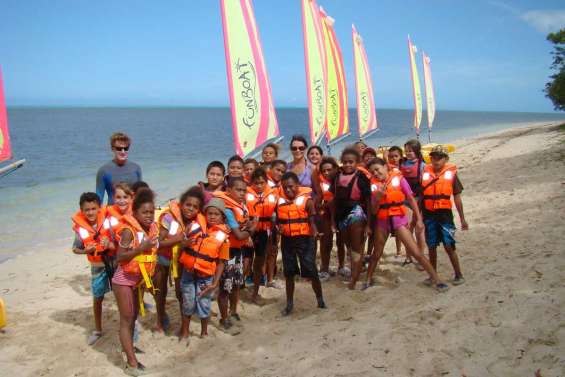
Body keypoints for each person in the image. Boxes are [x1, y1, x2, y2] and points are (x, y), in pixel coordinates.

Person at [364, 158, 448, 291]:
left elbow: (410, 199)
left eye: (377, 169)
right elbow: (373, 210)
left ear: (385, 167)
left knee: (416, 252)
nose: (375, 173)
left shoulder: (399, 179)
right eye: (372, 171)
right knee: (377, 253)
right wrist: (378, 198)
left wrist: (419, 219)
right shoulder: (373, 185)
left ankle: (437, 280)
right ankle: (368, 279)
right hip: (383, 220)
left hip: (398, 218)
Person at [112, 188, 159, 375]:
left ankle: (129, 347)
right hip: (123, 280)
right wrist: (141, 248)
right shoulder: (129, 231)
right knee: (126, 319)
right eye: (144, 212)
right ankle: (131, 364)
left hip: (137, 281)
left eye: (151, 212)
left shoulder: (151, 228)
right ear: (135, 212)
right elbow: (120, 257)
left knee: (133, 318)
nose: (148, 216)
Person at [154, 186, 205, 333]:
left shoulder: (197, 222)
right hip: (163, 258)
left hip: (181, 260)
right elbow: (158, 243)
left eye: (195, 207)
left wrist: (184, 245)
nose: (190, 209)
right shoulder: (169, 217)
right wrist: (177, 240)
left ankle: (184, 327)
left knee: (180, 293)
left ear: (199, 209)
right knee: (160, 291)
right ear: (181, 204)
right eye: (187, 205)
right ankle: (160, 319)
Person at [178, 198, 230, 342]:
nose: (212, 217)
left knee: (204, 303)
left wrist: (215, 283)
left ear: (222, 217)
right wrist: (184, 243)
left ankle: (204, 332)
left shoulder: (223, 238)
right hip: (188, 272)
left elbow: (221, 262)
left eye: (216, 214)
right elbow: (181, 244)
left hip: (205, 276)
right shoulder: (194, 227)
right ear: (204, 214)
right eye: (210, 213)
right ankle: (185, 332)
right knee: (187, 302)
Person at [277, 172, 326, 315]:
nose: (288, 190)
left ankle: (320, 300)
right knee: (289, 273)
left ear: (298, 185)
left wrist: (315, 232)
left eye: (291, 187)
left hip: (305, 239)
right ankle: (289, 304)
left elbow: (312, 220)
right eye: (285, 188)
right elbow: (277, 221)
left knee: (311, 271)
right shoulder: (279, 201)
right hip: (287, 240)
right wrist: (277, 228)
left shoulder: (307, 201)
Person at [71, 192, 114, 346]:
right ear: (81, 211)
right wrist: (85, 251)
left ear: (99, 208)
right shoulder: (80, 229)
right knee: (98, 298)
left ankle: (130, 322)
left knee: (123, 295)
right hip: (97, 268)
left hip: (114, 263)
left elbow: (121, 238)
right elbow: (75, 249)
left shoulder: (109, 221)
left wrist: (109, 241)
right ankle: (97, 329)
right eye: (86, 209)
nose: (90, 212)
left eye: (93, 208)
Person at [422, 146, 468, 285]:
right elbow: (421, 197)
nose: (435, 161)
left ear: (446, 159)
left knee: (449, 245)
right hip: (429, 215)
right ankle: (432, 275)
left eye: (439, 158)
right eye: (433, 158)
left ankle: (458, 274)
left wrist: (462, 219)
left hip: (445, 216)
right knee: (431, 245)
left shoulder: (451, 175)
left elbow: (457, 198)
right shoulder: (425, 173)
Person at [213, 177, 256, 329]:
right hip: (227, 252)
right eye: (238, 190)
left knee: (237, 283)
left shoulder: (241, 206)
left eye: (244, 190)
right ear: (228, 190)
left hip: (237, 250)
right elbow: (238, 235)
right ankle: (224, 318)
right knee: (226, 286)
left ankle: (234, 311)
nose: (242, 193)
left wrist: (248, 229)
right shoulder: (229, 210)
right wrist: (252, 229)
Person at [330, 147, 372, 289]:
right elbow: (334, 200)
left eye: (351, 162)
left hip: (356, 213)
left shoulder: (362, 178)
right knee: (349, 248)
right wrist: (333, 222)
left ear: (357, 163)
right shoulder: (336, 177)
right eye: (345, 162)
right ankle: (356, 271)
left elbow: (368, 201)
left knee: (357, 248)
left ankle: (354, 280)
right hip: (341, 216)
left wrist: (368, 225)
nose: (348, 165)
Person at [246, 167, 278, 302]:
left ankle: (255, 293)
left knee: (259, 263)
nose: (259, 186)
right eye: (256, 183)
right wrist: (247, 235)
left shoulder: (273, 193)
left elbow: (278, 212)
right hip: (248, 232)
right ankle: (238, 287)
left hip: (264, 232)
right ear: (251, 183)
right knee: (246, 263)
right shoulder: (245, 194)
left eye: (262, 183)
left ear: (266, 182)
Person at [400, 139, 428, 264]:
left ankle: (421, 255)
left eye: (410, 151)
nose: (408, 153)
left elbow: (425, 184)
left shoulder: (422, 165)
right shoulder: (402, 164)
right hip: (405, 200)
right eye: (406, 151)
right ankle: (408, 256)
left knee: (419, 228)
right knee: (407, 227)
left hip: (419, 199)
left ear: (416, 151)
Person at [313, 157, 341, 280]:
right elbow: (317, 203)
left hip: (341, 214)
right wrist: (325, 205)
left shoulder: (341, 180)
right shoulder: (319, 183)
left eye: (329, 170)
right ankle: (324, 268)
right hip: (326, 215)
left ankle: (342, 266)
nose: (326, 173)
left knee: (341, 242)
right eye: (324, 171)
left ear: (335, 169)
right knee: (326, 242)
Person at [96, 132, 142, 204]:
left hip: (132, 212)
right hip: (112, 212)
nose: (123, 152)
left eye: (126, 148)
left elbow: (140, 195)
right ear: (112, 149)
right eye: (119, 149)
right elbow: (99, 198)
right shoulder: (103, 171)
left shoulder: (136, 168)